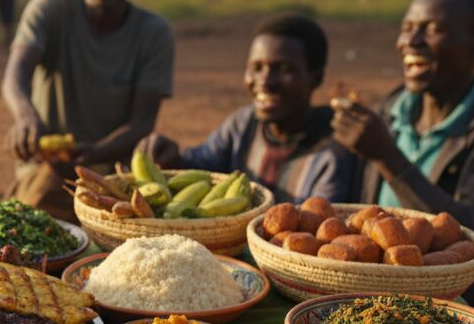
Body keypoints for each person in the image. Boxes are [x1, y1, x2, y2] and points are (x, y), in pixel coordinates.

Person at [330, 0, 474, 324]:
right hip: (373, 313)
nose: (411, 41)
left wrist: (387, 156)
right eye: (407, 28)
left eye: (433, 29)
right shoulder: (391, 111)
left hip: (464, 319)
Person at [1, 0, 173, 220]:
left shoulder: (154, 33)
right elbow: (14, 76)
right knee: (33, 216)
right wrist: (26, 117)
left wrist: (91, 154)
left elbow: (142, 122)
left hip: (114, 177)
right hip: (48, 169)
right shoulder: (48, 11)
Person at [139, 15, 359, 205]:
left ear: (316, 77)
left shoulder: (331, 150)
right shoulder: (243, 124)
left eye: (284, 69)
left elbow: (320, 222)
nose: (265, 81)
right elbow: (204, 166)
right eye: (256, 68)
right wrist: (173, 158)